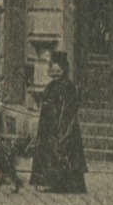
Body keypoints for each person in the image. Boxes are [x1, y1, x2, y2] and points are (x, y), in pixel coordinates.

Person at [30, 51, 88, 194]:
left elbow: (68, 109)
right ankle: (52, 182)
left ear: (64, 70)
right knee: (49, 153)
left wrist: (61, 128)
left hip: (63, 126)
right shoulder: (50, 86)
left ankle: (66, 184)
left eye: (58, 71)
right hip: (48, 126)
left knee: (63, 152)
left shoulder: (68, 87)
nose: (55, 74)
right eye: (53, 71)